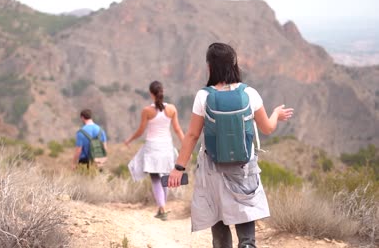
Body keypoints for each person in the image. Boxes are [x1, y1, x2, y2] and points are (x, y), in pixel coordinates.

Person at [168, 43, 294, 248]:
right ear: (234, 65)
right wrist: (276, 115)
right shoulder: (250, 93)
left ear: (209, 67)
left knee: (218, 217)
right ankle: (246, 244)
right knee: (244, 215)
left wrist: (178, 168)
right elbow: (268, 128)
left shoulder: (204, 96)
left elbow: (192, 135)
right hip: (244, 167)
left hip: (213, 168)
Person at [125, 81, 185, 220]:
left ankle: (162, 208)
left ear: (151, 94)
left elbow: (140, 131)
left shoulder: (147, 111)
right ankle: (162, 207)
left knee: (155, 179)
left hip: (152, 147)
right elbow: (177, 129)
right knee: (165, 177)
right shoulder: (172, 109)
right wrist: (185, 145)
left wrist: (129, 140)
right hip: (166, 147)